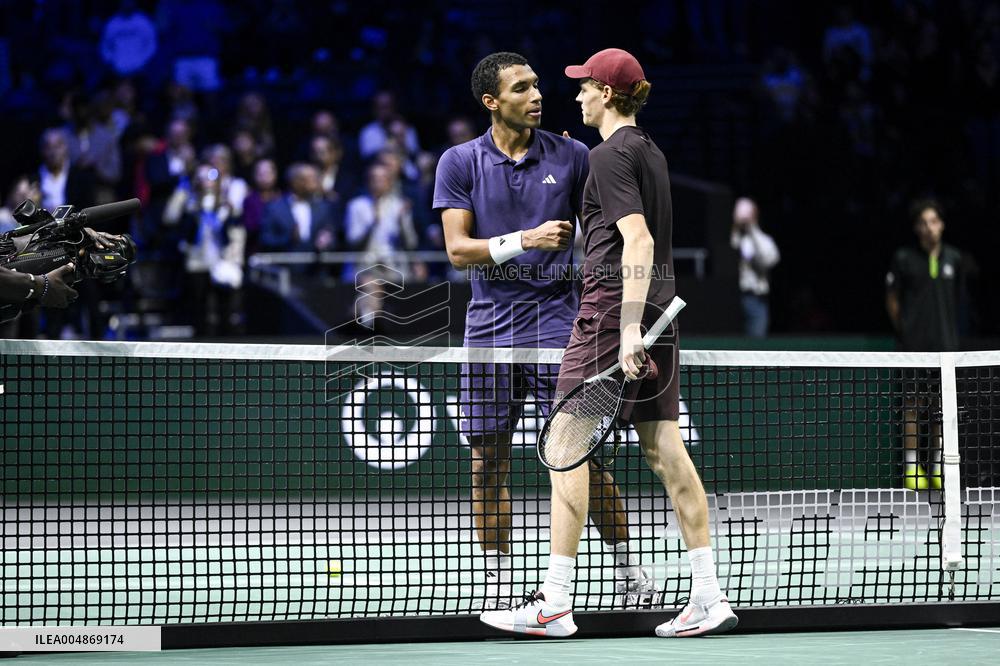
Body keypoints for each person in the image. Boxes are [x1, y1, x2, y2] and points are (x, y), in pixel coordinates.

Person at [481, 48, 737, 638]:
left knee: (564, 446)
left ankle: (555, 603)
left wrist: (623, 329)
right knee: (665, 451)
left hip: (609, 313)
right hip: (662, 315)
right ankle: (708, 595)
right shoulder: (649, 151)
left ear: (606, 92)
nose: (575, 95)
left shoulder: (609, 155)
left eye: (584, 87)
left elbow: (638, 242)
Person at [434, 51, 656, 611]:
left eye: (538, 86)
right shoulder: (459, 163)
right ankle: (498, 580)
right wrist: (526, 239)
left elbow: (613, 233)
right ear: (492, 102)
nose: (537, 95)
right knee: (487, 464)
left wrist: (617, 308)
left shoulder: (575, 154)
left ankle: (629, 571)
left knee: (581, 456)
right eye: (522, 88)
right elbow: (458, 251)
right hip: (487, 329)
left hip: (560, 326)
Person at [886, 199, 964, 490]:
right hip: (913, 348)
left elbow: (957, 302)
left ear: (941, 225)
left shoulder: (954, 259)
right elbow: (892, 299)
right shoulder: (904, 258)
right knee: (912, 406)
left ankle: (936, 467)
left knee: (940, 409)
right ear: (917, 227)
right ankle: (911, 468)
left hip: (946, 347)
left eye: (934, 221)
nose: (929, 227)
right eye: (923, 222)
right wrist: (906, 332)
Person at [730, 197, 780, 338]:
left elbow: (768, 260)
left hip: (757, 297)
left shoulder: (763, 240)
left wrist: (751, 228)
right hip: (740, 297)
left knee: (756, 341)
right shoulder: (739, 240)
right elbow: (734, 245)